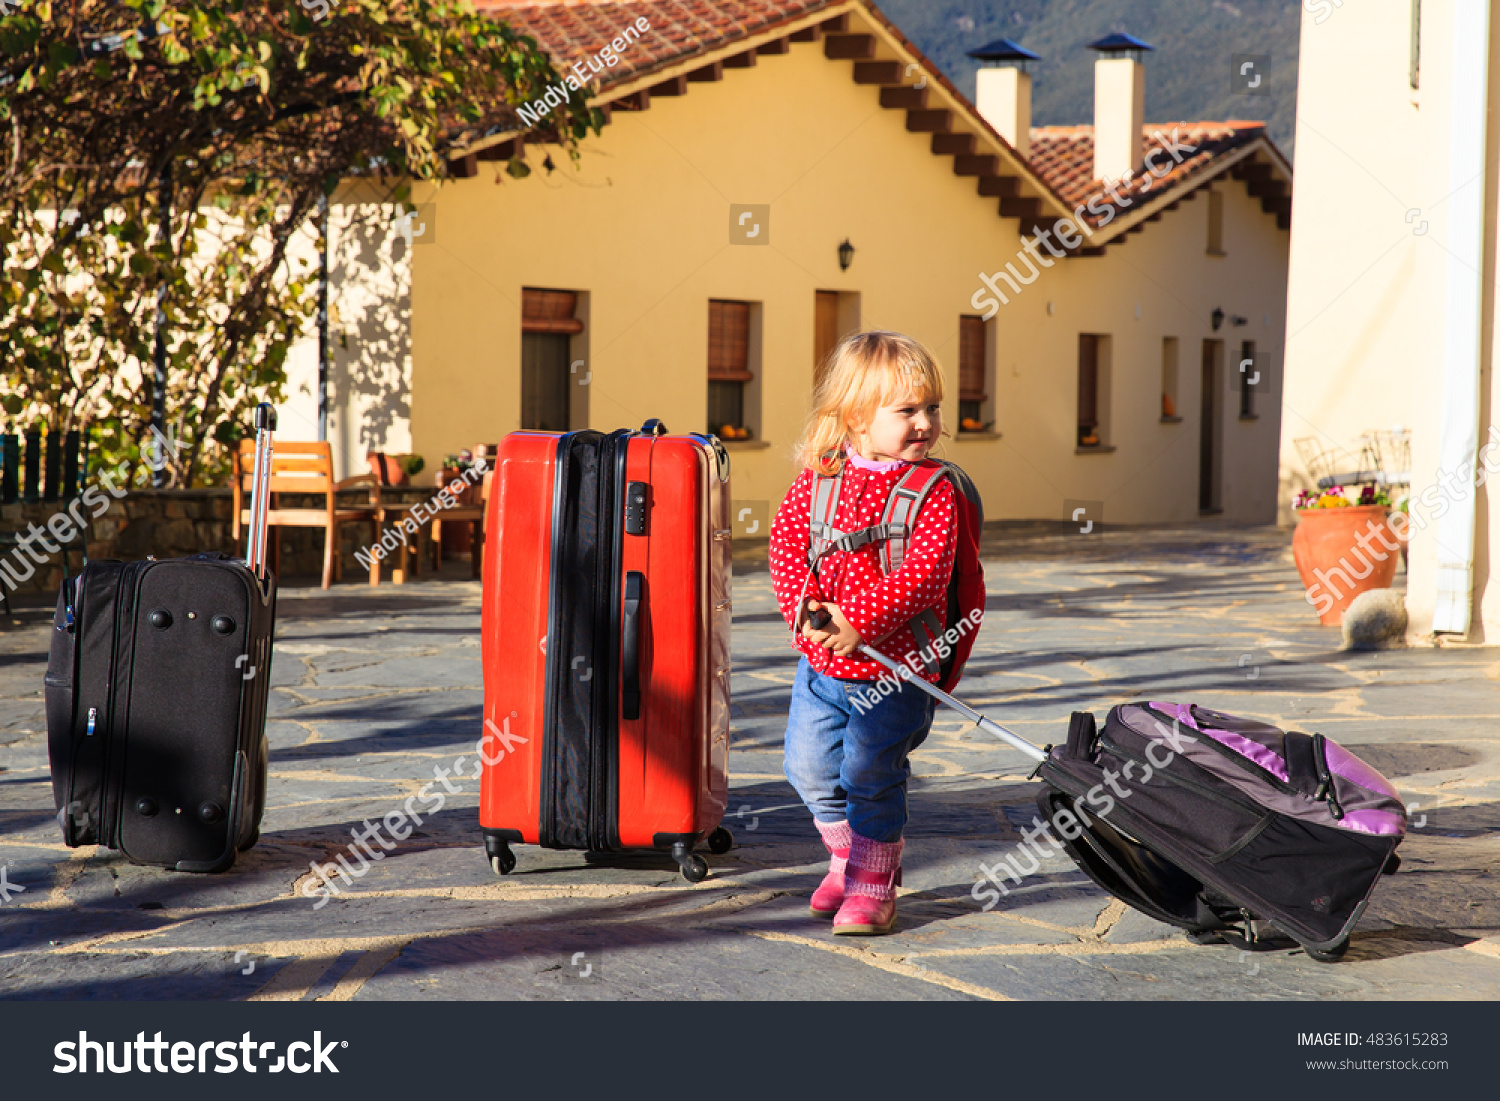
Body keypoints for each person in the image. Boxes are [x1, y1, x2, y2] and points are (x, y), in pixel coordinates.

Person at [769, 330, 958, 935]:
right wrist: (806, 614)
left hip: (895, 669)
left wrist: (861, 623)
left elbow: (925, 576)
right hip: (822, 665)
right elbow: (786, 546)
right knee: (807, 767)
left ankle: (872, 884)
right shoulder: (820, 480)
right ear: (855, 417)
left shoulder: (934, 492)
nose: (924, 423)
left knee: (870, 774)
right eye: (906, 410)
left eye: (931, 408)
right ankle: (847, 855)